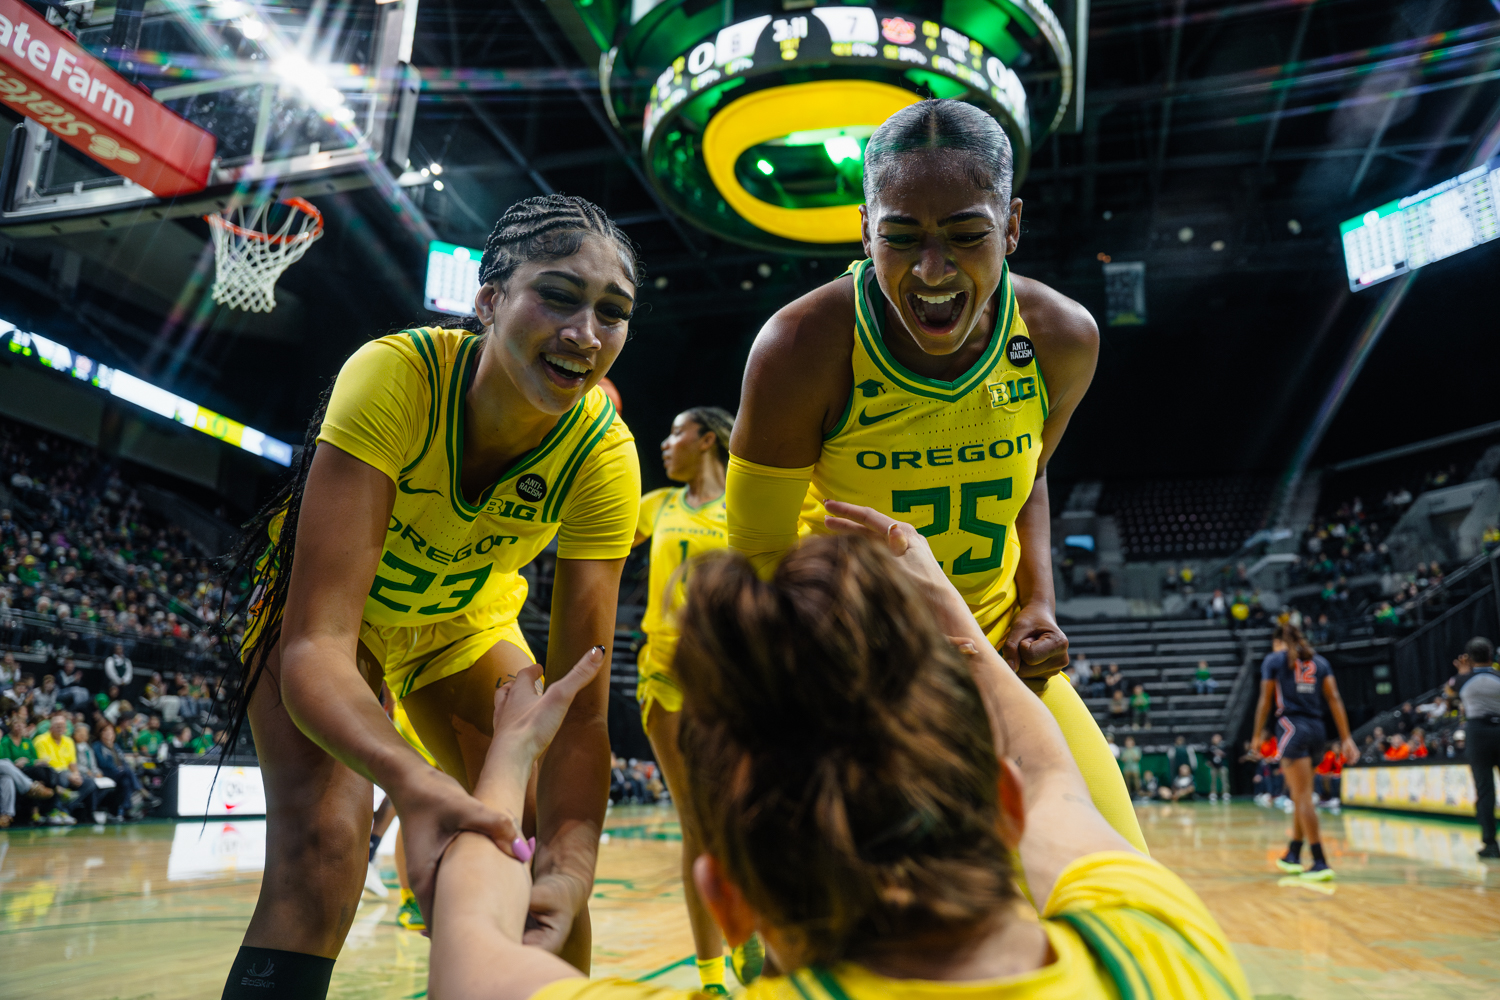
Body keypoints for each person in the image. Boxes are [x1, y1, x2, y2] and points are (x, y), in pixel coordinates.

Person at [423, 508, 1251, 1000]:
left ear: (730, 901)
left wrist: (511, 752)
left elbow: (469, 945)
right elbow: (1049, 774)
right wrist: (948, 608)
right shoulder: (1157, 940)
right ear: (1002, 809)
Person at [217, 194, 644, 999]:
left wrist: (573, 862)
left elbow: (581, 708)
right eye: (557, 294)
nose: (586, 333)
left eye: (612, 312)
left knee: (537, 870)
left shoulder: (604, 457)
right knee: (326, 853)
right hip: (339, 626)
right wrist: (416, 784)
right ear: (487, 301)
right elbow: (316, 646)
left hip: (464, 626)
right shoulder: (395, 375)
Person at [724, 99, 1143, 853]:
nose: (932, 270)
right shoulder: (799, 346)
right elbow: (757, 553)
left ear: (1011, 226)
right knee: (840, 927)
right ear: (864, 230)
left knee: (1120, 884)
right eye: (902, 238)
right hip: (852, 670)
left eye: (965, 235)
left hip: (994, 655)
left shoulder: (1061, 337)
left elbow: (1030, 473)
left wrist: (1038, 604)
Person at [630, 406, 761, 994]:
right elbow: (583, 533)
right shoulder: (655, 507)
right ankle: (711, 977)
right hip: (665, 676)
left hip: (737, 680)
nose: (665, 443)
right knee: (698, 823)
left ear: (707, 439)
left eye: (675, 431)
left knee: (747, 815)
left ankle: (753, 928)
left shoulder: (750, 503)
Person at [1251, 624, 1357, 880]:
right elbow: (1334, 698)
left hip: (1291, 727)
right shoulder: (1319, 662)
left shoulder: (1274, 660)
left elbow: (1265, 700)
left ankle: (1320, 861)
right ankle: (1294, 852)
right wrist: (1346, 738)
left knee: (1303, 797)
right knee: (1302, 796)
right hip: (1318, 730)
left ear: (1278, 642)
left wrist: (1256, 734)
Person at [1447, 637, 1500, 859]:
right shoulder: (1498, 675)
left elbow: (1449, 694)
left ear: (1468, 657)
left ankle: (1490, 844)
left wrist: (1463, 672)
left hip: (1478, 734)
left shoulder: (1462, 680)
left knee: (1485, 790)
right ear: (1491, 654)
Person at [1207, 733, 1230, 801]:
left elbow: (1227, 755)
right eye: (1214, 738)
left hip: (1222, 766)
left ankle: (1225, 793)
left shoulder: (1224, 746)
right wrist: (1209, 762)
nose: (1215, 739)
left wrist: (1222, 753)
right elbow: (1207, 755)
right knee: (1213, 781)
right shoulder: (1211, 747)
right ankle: (1213, 793)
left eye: (1217, 738)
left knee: (1224, 780)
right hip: (1214, 767)